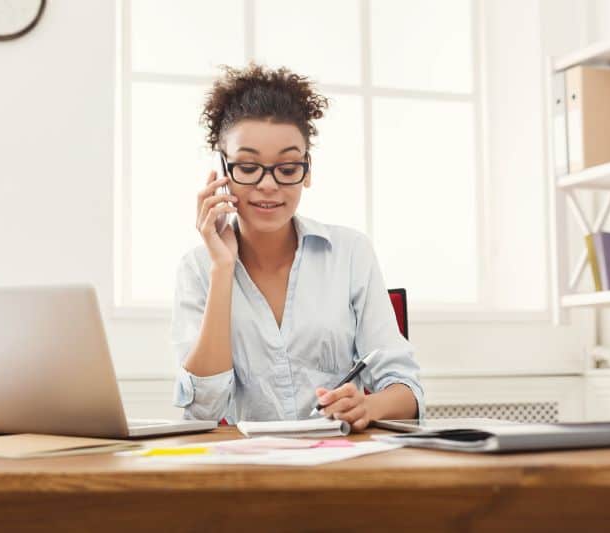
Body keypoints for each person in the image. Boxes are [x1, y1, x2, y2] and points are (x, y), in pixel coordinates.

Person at [171, 64, 423, 432]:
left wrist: (366, 406)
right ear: (222, 169)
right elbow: (203, 411)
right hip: (249, 470)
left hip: (340, 465)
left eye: (287, 168)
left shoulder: (351, 253)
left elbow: (409, 392)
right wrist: (222, 269)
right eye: (248, 167)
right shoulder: (198, 268)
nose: (269, 185)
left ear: (307, 170)